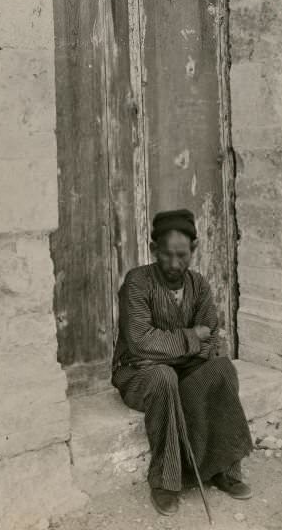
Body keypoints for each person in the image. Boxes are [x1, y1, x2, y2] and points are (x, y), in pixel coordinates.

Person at [112, 208, 254, 516]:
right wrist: (192, 338)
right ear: (153, 250)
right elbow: (139, 342)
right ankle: (165, 481)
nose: (174, 264)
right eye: (166, 255)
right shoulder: (137, 283)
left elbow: (213, 340)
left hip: (178, 370)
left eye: (182, 255)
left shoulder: (199, 285)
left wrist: (177, 346)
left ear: (194, 250)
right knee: (164, 377)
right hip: (138, 374)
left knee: (221, 369)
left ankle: (222, 466)